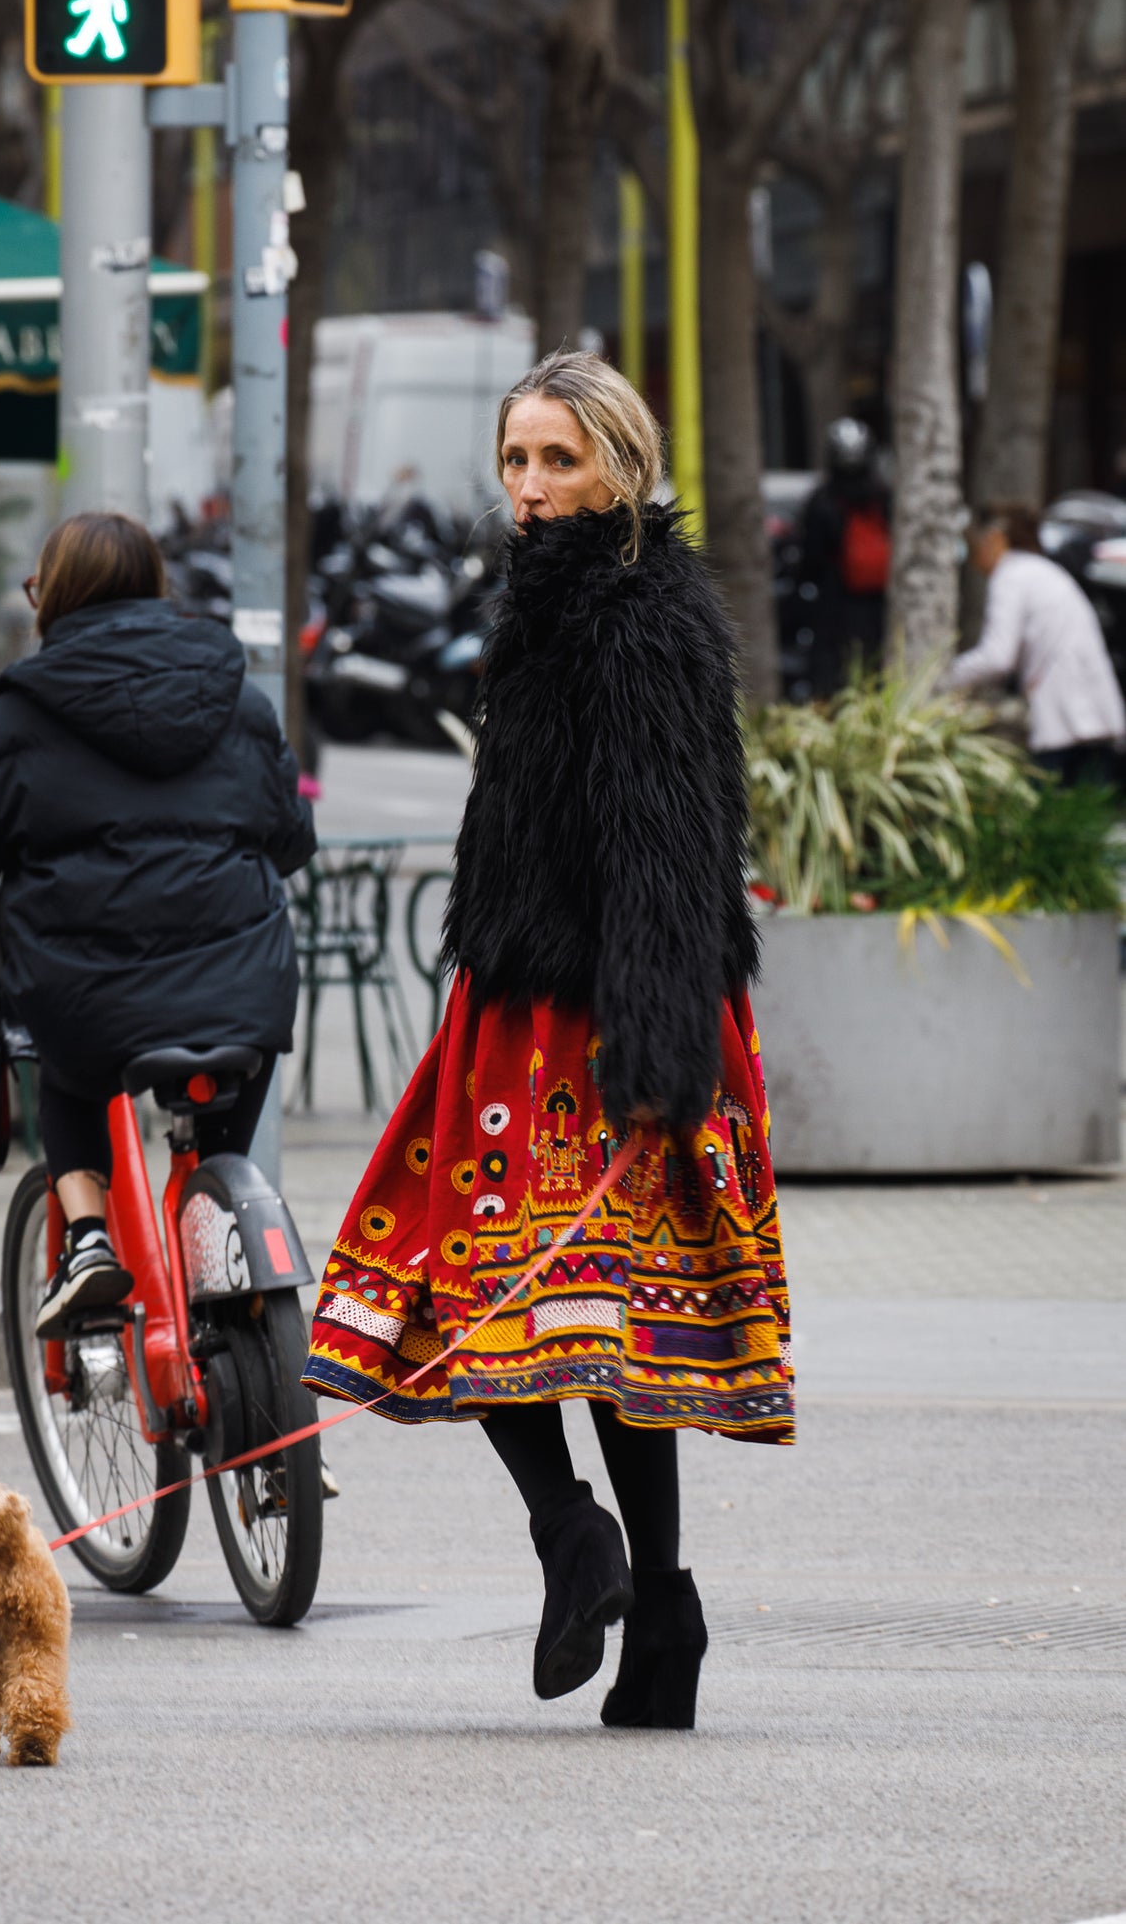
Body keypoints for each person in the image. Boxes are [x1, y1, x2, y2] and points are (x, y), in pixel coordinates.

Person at [302, 351, 793, 1729]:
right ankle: (612, 1573)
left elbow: (669, 849)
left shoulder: (631, 612)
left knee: (560, 1312)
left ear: (621, 468)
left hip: (608, 1013)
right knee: (506, 1306)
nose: (528, 487)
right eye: (514, 460)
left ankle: (626, 1584)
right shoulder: (555, 595)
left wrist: (651, 1055)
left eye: (557, 461)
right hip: (519, 1000)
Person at [0, 511, 315, 1335]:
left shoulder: (17, 716)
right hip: (245, 987)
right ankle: (252, 1332)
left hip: (92, 1001)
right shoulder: (237, 695)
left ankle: (84, 1238)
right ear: (157, 588)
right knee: (220, 1151)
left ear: (53, 596)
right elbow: (292, 840)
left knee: (69, 1069)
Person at [951, 502, 1126, 786]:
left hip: (1063, 720)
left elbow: (997, 656)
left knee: (1048, 810)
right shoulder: (1039, 569)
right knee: (1093, 815)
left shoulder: (1010, 576)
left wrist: (946, 676)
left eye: (973, 548)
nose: (972, 561)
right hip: (1092, 713)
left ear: (995, 540)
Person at [799, 417, 892, 698]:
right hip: (879, 605)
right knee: (875, 667)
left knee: (832, 671)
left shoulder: (822, 500)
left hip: (835, 603)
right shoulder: (885, 497)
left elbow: (810, 558)